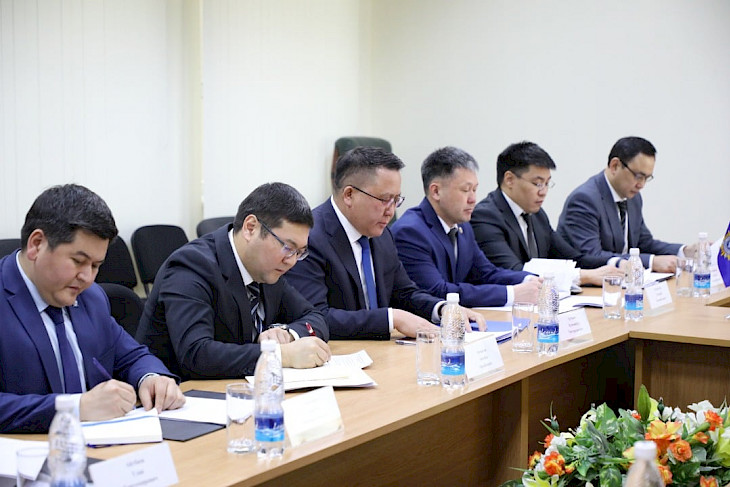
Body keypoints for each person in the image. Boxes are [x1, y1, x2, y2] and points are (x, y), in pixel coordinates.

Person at [0, 184, 184, 433]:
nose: (87, 277)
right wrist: (75, 408)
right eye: (78, 261)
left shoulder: (91, 297)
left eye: (96, 265)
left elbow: (132, 356)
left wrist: (152, 377)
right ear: (37, 244)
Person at [286, 146, 485, 340]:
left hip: (381, 351)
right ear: (349, 195)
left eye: (396, 200)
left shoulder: (381, 234)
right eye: (384, 199)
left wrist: (442, 309)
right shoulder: (310, 237)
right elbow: (316, 317)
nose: (391, 211)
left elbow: (404, 293)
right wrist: (391, 319)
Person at [136, 182, 330, 380]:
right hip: (182, 392)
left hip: (245, 387)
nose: (292, 261)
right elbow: (196, 354)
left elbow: (315, 316)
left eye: (299, 252)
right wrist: (280, 354)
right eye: (287, 247)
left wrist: (288, 334)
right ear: (251, 228)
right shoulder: (192, 266)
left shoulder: (268, 268)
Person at [391, 146, 541, 308]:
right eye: (465, 190)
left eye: (475, 190)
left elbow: (486, 273)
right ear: (436, 191)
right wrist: (511, 294)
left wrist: (529, 280)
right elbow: (436, 291)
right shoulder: (410, 232)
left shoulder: (463, 226)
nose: (473, 199)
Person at [470, 141, 625, 286]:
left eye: (547, 183)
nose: (543, 192)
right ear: (509, 179)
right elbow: (515, 271)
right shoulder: (485, 217)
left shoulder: (537, 215)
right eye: (537, 183)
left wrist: (616, 263)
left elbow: (574, 258)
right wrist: (584, 276)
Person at [557, 136, 695, 273]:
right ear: (615, 166)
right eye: (638, 176)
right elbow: (591, 256)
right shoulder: (584, 199)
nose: (641, 185)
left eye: (647, 178)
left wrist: (684, 251)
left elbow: (643, 243)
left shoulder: (633, 197)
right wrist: (651, 262)